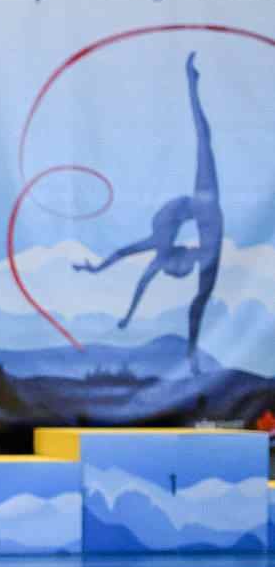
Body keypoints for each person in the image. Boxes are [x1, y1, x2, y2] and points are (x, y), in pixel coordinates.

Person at [73, 52, 223, 374]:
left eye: (176, 262)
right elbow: (195, 307)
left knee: (203, 138)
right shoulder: (203, 254)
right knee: (203, 140)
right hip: (204, 207)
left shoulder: (161, 248)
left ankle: (191, 83)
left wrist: (99, 274)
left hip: (190, 210)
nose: (182, 258)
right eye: (184, 263)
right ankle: (191, 83)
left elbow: (131, 267)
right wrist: (192, 351)